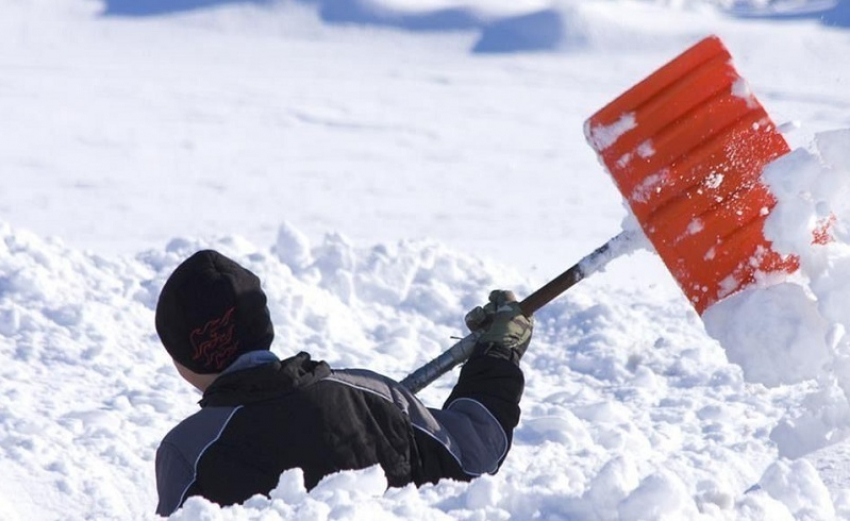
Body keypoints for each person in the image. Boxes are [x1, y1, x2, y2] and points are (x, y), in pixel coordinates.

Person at [154, 249, 532, 516]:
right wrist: (499, 352)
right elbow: (475, 452)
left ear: (182, 358)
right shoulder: (375, 397)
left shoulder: (188, 451)